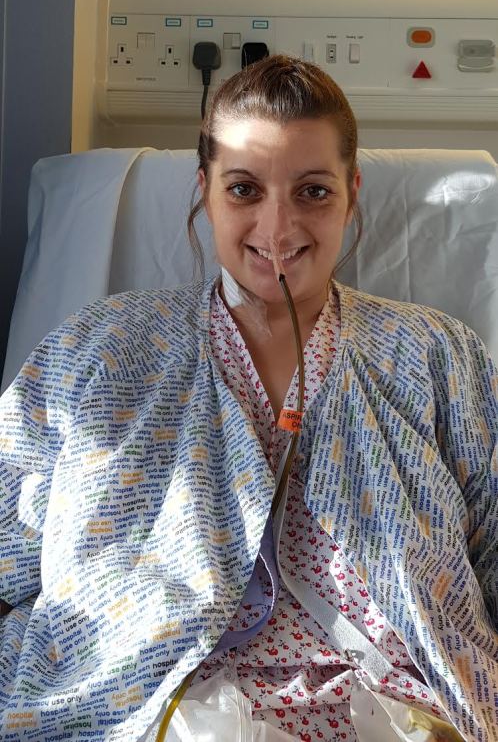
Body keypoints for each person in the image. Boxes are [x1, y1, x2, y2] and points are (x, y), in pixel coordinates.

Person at [0, 55, 496, 742]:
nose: (278, 227)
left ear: (351, 193)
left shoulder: (436, 357)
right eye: (244, 189)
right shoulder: (100, 352)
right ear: (205, 192)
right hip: (154, 714)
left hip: (401, 712)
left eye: (312, 191)